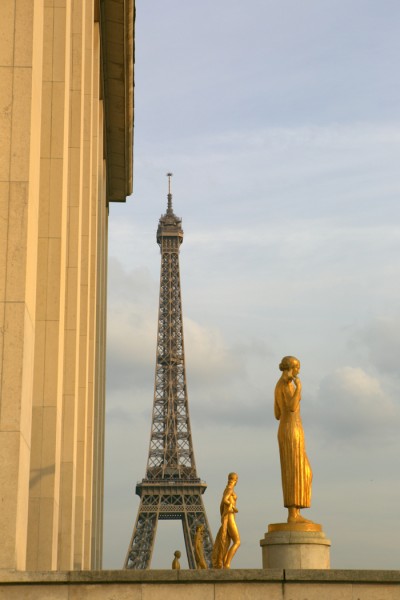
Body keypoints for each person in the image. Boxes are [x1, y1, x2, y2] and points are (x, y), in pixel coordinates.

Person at [274, 356, 312, 523]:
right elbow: (291, 407)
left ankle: (295, 511)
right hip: (291, 429)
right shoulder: (286, 384)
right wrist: (299, 389)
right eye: (297, 367)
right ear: (291, 368)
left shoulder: (280, 385)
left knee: (303, 471)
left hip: (288, 428)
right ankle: (293, 514)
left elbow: (276, 413)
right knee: (295, 469)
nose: (299, 371)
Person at [212, 472, 240, 568]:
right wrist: (232, 507)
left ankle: (224, 562)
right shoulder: (230, 489)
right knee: (237, 541)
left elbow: (221, 505)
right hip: (230, 516)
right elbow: (224, 500)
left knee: (227, 541)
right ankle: (227, 563)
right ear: (236, 480)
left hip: (227, 516)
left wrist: (222, 515)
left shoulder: (227, 488)